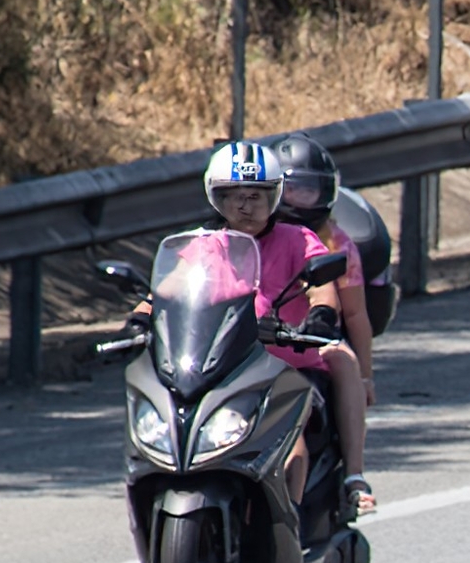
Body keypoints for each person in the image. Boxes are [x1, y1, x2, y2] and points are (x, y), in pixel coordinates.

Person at [132, 144, 368, 518]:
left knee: (291, 454)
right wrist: (140, 318)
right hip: (219, 370)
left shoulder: (297, 238)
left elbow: (322, 284)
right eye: (234, 196)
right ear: (216, 198)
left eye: (256, 195)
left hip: (284, 370)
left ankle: (300, 519)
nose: (245, 206)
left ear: (274, 196)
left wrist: (321, 312)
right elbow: (167, 288)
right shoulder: (204, 246)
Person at [274, 135, 375, 516]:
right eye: (291, 188)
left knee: (342, 360)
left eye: (309, 189)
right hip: (254, 340)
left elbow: (353, 314)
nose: (300, 199)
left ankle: (354, 474)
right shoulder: (242, 236)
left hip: (311, 339)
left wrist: (366, 376)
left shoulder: (334, 243)